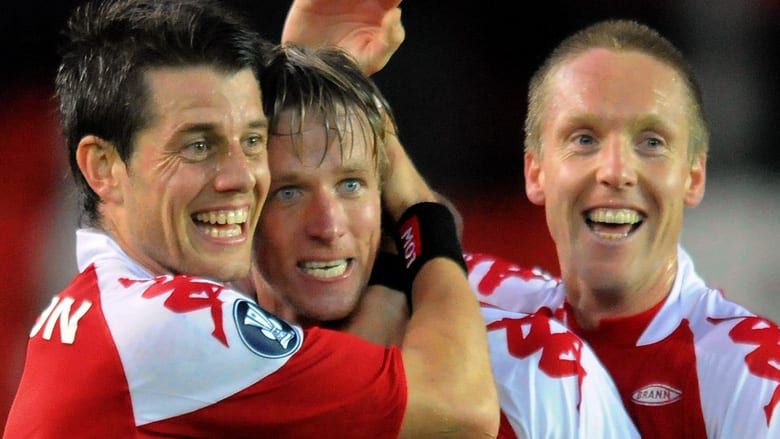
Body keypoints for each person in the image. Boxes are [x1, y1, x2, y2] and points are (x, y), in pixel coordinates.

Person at [3, 0, 499, 437]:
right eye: (199, 146)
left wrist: (323, 85)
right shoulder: (167, 326)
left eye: (253, 140)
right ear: (103, 167)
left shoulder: (108, 311)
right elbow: (460, 411)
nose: (241, 177)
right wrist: (418, 210)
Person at [249, 43, 640, 438]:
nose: (328, 226)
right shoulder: (217, 371)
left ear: (384, 194)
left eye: (351, 185)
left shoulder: (536, 370)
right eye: (289, 192)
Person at [465, 19, 780, 438]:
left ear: (693, 176)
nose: (616, 171)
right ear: (536, 172)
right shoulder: (475, 302)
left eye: (651, 142)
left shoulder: (752, 374)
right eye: (584, 139)